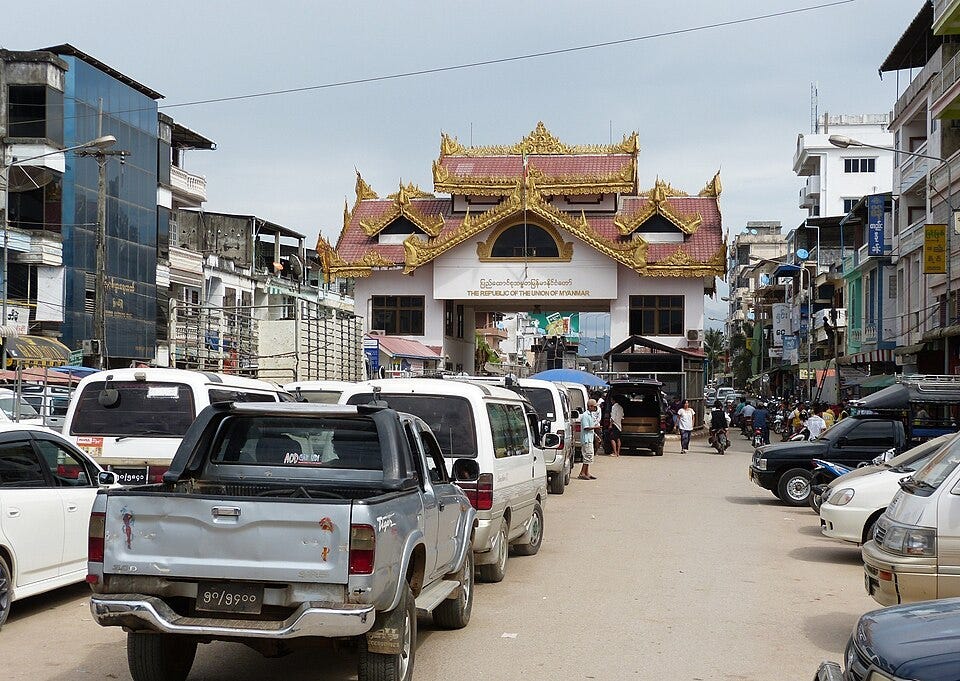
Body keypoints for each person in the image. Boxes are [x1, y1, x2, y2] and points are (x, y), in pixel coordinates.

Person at [577, 399, 601, 480]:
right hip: (586, 439)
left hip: (589, 438)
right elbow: (586, 427)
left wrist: (596, 436)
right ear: (590, 406)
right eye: (594, 407)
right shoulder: (585, 415)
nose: (595, 408)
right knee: (587, 456)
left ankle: (586, 472)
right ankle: (582, 473)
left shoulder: (590, 415)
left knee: (589, 456)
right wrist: (596, 427)